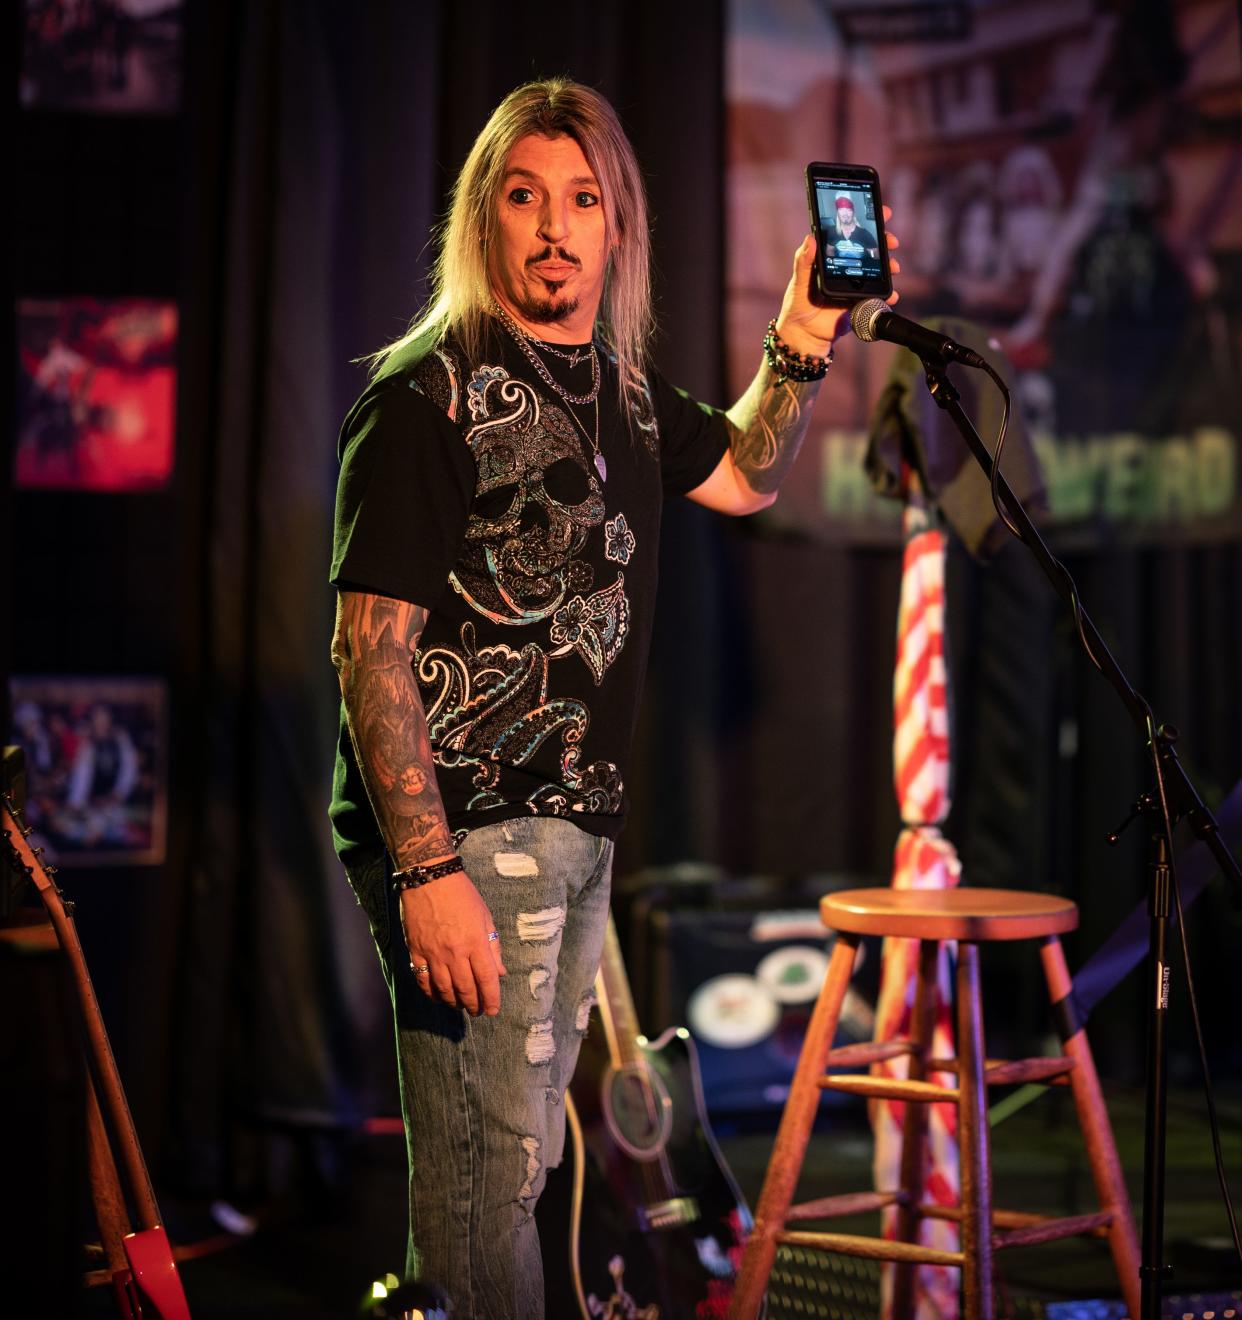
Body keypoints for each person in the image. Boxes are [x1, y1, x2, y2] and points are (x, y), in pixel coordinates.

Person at [329, 77, 895, 1319]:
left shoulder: (620, 393)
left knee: (515, 1177)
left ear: (618, 226)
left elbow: (746, 475)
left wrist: (803, 330)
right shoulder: (425, 395)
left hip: (577, 834)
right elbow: (369, 648)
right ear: (484, 217)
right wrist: (428, 876)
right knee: (486, 1197)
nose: (554, 227)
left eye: (583, 200)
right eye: (525, 197)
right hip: (470, 841)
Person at [828, 193, 880, 259]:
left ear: (853, 213)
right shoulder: (832, 231)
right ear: (837, 213)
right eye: (841, 209)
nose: (845, 214)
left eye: (849, 210)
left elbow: (874, 253)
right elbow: (829, 250)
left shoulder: (864, 234)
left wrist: (872, 257)